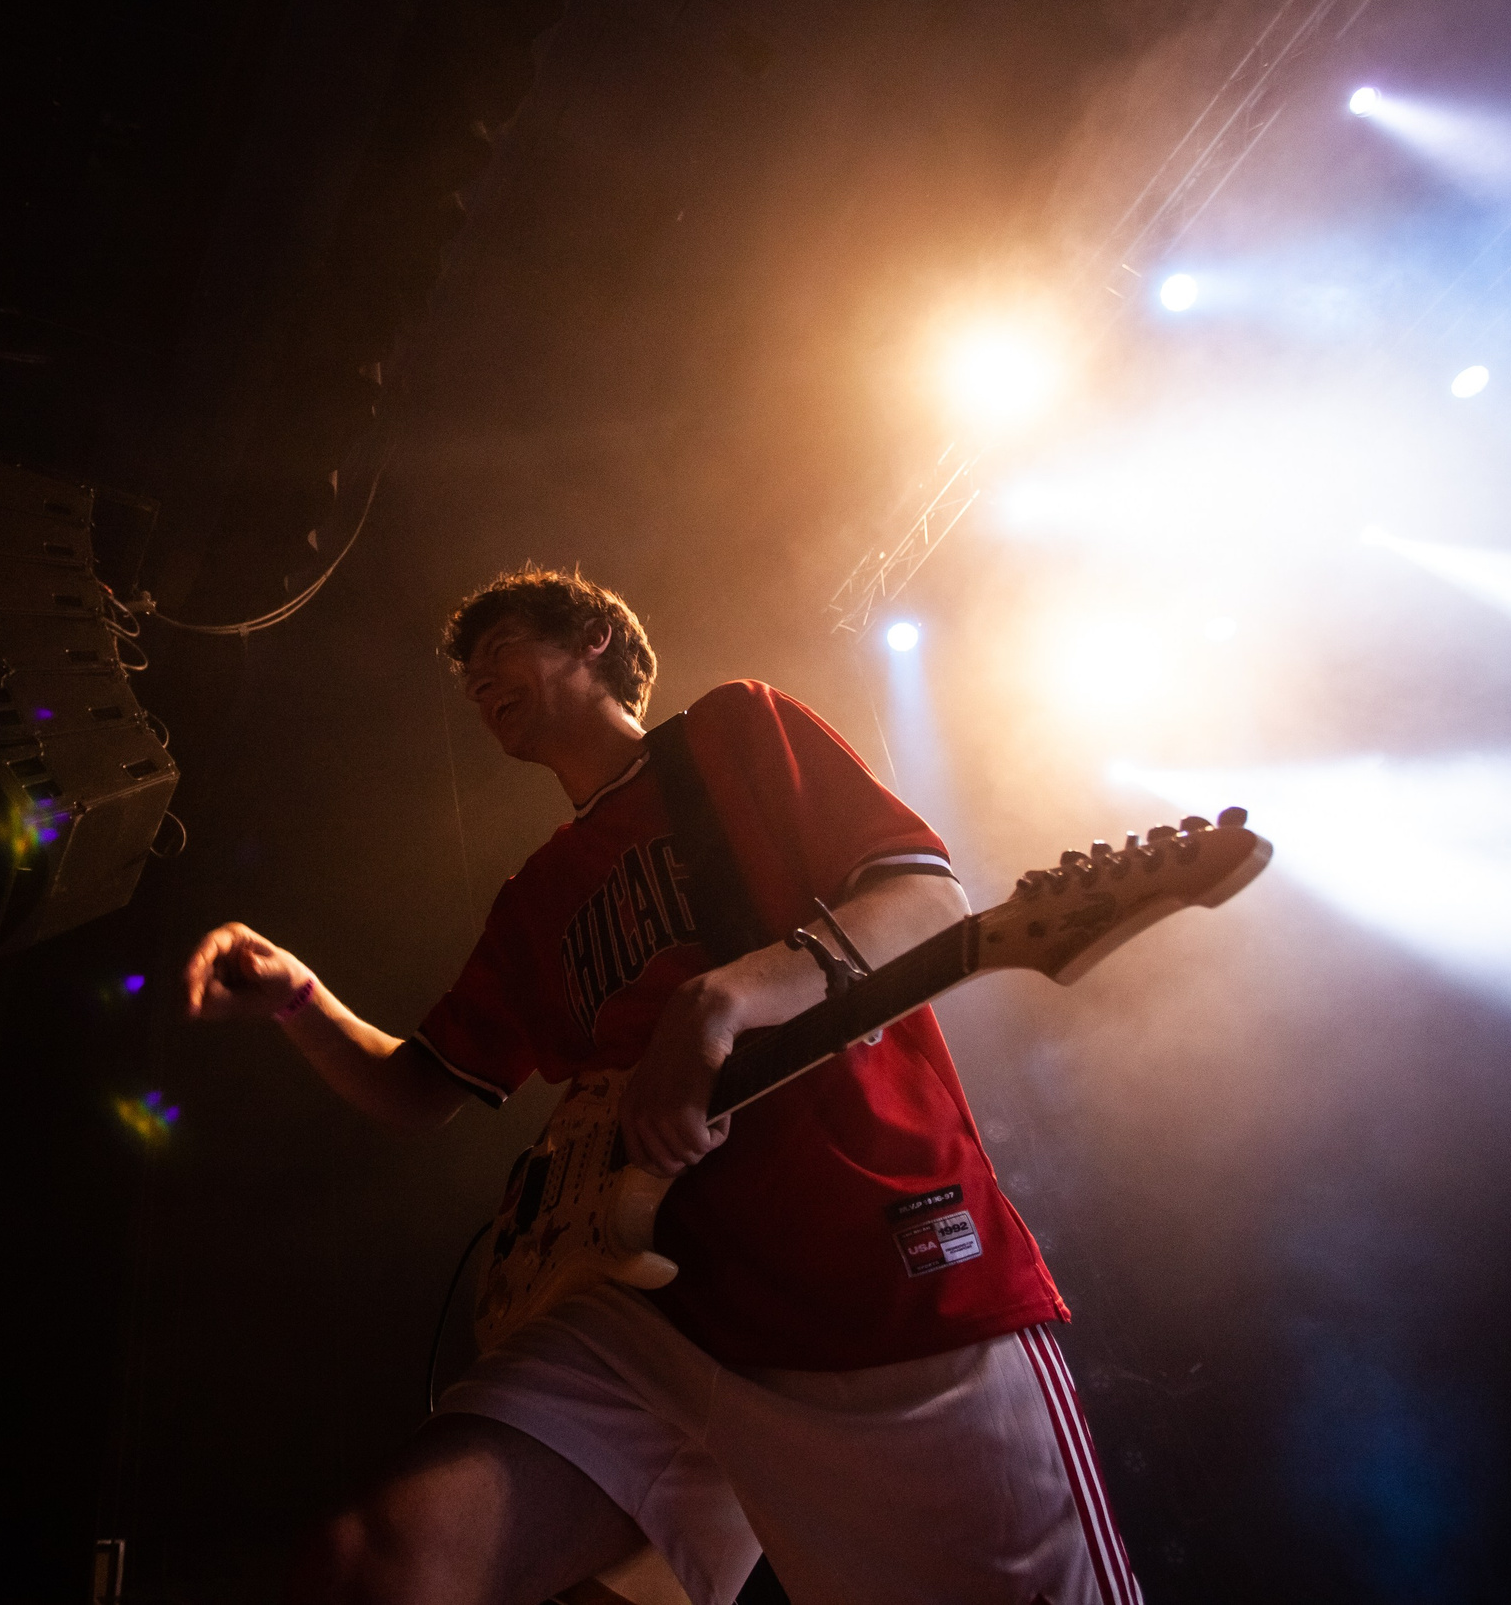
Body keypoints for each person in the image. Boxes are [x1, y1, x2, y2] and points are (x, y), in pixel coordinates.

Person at [181, 569, 1140, 1605]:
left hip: (874, 1270)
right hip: (648, 1307)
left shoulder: (734, 732)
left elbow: (922, 895)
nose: (475, 684)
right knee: (371, 1564)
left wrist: (716, 1001)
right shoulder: (533, 899)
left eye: (496, 647)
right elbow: (418, 1088)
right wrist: (296, 999)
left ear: (593, 636)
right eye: (464, 678)